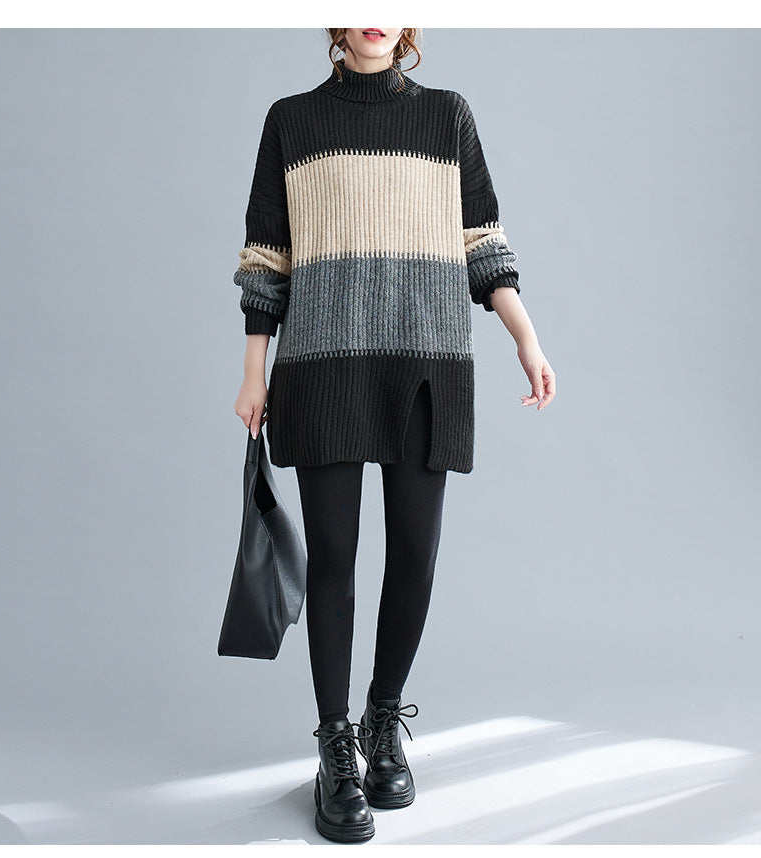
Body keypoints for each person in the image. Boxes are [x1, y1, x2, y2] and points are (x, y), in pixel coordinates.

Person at [233, 28, 556, 843]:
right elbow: (268, 257)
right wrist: (253, 371)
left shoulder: (447, 116)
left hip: (426, 360)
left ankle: (383, 724)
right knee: (334, 561)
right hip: (323, 362)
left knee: (415, 553)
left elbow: (481, 238)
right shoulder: (292, 120)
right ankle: (334, 749)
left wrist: (525, 337)